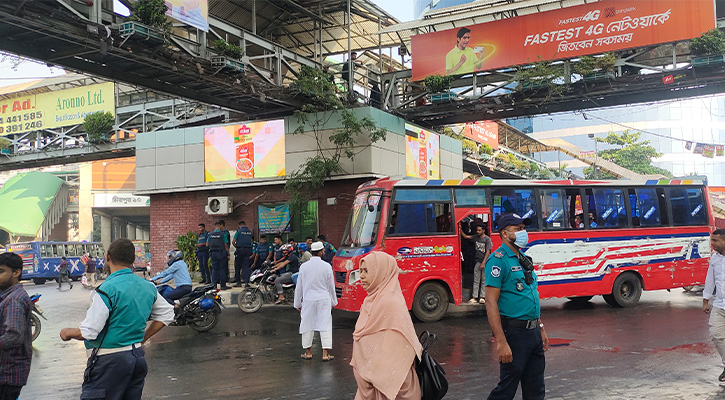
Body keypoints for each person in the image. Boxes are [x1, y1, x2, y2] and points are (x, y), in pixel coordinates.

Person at [60, 238, 175, 400]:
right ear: (133, 260)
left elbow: (89, 332)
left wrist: (67, 332)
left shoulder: (106, 290)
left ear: (107, 257)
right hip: (137, 359)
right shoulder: (148, 286)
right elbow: (167, 314)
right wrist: (144, 337)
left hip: (109, 361)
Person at [485, 213, 549, 400]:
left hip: (533, 333)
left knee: (536, 388)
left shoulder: (524, 258)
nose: (523, 232)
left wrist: (541, 327)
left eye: (524, 228)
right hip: (514, 335)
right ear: (505, 234)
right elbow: (490, 302)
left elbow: (530, 296)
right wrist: (501, 342)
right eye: (518, 229)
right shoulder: (498, 260)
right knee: (506, 389)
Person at [350, 251, 422, 399]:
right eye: (361, 271)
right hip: (370, 387)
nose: (361, 276)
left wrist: (369, 372)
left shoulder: (390, 303)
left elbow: (394, 353)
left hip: (390, 389)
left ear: (381, 272)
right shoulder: (372, 300)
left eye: (367, 271)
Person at [294, 242, 338, 361]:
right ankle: (325, 354)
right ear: (321, 252)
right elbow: (331, 286)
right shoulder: (326, 266)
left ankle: (308, 352)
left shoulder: (304, 267)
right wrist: (334, 301)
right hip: (324, 299)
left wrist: (297, 303)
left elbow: (299, 287)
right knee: (325, 325)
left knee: (307, 324)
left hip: (308, 299)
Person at [0, 252, 32, 400]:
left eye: (1, 271)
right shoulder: (7, 295)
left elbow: (14, 336)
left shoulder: (14, 300)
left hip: (7, 373)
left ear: (16, 272)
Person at [703, 229, 725, 381]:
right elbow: (710, 279)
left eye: (715, 241)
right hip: (720, 303)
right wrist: (706, 300)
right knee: (716, 335)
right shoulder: (714, 258)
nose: (712, 244)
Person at [461, 222, 492, 304]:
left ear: (483, 231)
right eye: (477, 230)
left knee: (483, 280)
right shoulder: (475, 237)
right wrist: (459, 229)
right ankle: (475, 297)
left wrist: (484, 263)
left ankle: (482, 297)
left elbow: (488, 252)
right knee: (476, 279)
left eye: (479, 230)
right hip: (478, 261)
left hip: (485, 262)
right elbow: (466, 236)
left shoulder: (487, 239)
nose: (477, 232)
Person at [207, 220, 231, 290]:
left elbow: (207, 244)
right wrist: (228, 254)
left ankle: (214, 285)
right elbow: (226, 244)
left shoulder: (210, 234)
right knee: (222, 269)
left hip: (213, 253)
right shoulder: (223, 234)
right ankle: (223, 285)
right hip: (221, 253)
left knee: (214, 269)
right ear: (220, 227)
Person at [232, 221, 254, 287]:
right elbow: (251, 240)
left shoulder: (238, 231)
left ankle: (238, 282)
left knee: (238, 266)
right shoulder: (250, 232)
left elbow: (233, 242)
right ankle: (246, 282)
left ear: (239, 225)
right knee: (246, 266)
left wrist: (237, 247)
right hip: (248, 250)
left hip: (240, 250)